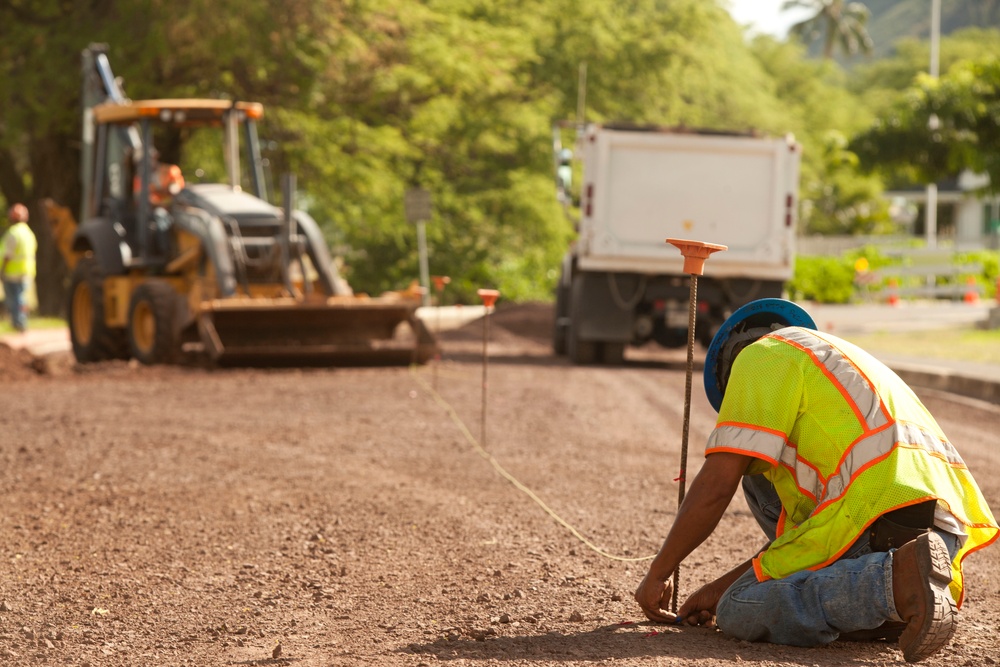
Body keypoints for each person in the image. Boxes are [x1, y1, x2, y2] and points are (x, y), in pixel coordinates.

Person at [634, 298, 998, 663]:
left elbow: (714, 487)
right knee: (755, 487)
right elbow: (799, 545)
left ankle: (890, 587)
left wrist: (659, 573)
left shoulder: (757, 358)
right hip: (937, 531)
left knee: (739, 608)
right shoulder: (832, 360)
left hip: (876, 517)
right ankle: (891, 601)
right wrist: (716, 588)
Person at [1, 203, 38, 332]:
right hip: (27, 271)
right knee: (21, 297)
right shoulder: (29, 233)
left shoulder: (13, 233)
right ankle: (21, 322)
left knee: (14, 298)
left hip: (12, 271)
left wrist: (2, 269)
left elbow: (7, 255)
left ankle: (18, 323)